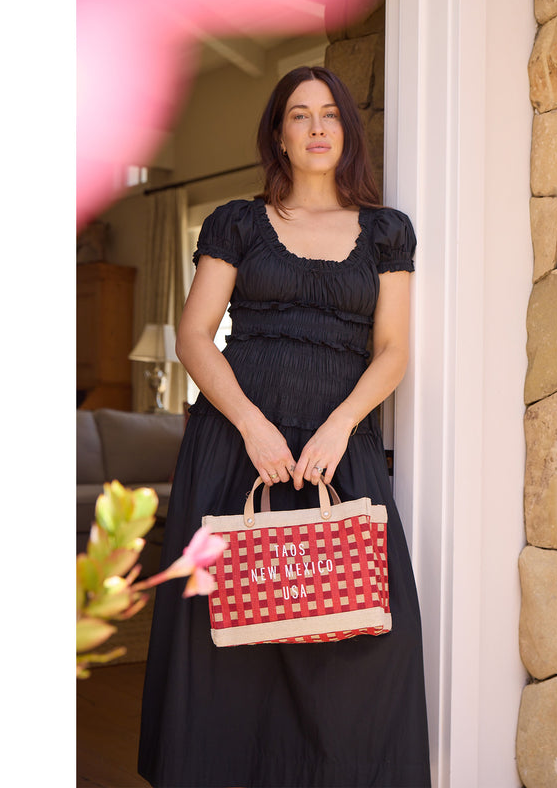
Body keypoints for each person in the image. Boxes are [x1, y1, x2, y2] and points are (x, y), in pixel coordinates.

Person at [138, 65, 431, 788]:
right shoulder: (237, 222)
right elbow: (196, 335)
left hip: (339, 453)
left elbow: (393, 349)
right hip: (236, 451)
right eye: (299, 115)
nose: (317, 127)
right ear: (279, 133)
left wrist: (338, 426)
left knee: (358, 634)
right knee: (229, 644)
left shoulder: (388, 233)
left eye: (330, 114)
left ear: (348, 130)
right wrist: (252, 426)